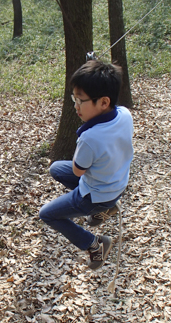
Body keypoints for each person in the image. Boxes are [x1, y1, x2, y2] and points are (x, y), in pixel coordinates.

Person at [39, 60, 134, 270]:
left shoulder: (90, 138)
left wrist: (83, 148)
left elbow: (77, 171)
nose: (75, 106)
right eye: (75, 98)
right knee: (55, 169)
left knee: (47, 214)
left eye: (81, 101)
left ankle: (95, 244)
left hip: (96, 193)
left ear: (103, 102)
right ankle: (106, 207)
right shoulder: (125, 114)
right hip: (117, 182)